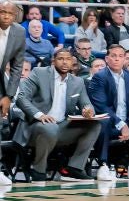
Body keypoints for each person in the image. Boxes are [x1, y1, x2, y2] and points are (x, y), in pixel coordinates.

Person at [13, 49, 101, 181]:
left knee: (94, 125)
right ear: (53, 61)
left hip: (61, 128)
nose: (65, 62)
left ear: (73, 62)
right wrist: (39, 114)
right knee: (50, 127)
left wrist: (88, 110)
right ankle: (39, 169)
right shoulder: (39, 73)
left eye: (68, 59)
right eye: (60, 59)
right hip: (35, 127)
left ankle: (75, 168)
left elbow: (87, 104)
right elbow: (21, 98)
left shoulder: (77, 82)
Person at [88, 44, 129, 180]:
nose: (117, 59)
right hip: (110, 123)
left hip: (126, 121)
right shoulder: (99, 77)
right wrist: (121, 124)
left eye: (120, 56)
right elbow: (101, 106)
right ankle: (103, 166)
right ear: (107, 59)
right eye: (113, 56)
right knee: (104, 121)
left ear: (125, 59)